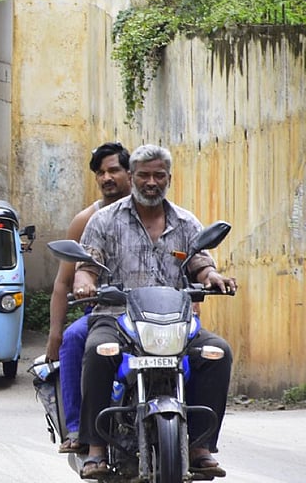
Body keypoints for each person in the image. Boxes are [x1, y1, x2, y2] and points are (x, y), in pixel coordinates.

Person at [73, 144, 236, 480]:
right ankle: (95, 449)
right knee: (96, 350)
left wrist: (213, 277)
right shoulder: (105, 220)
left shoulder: (187, 222)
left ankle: (202, 447)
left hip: (175, 321)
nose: (151, 182)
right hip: (117, 316)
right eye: (144, 175)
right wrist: (85, 282)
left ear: (169, 179)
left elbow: (201, 263)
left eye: (158, 175)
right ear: (131, 177)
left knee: (218, 352)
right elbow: (86, 267)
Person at [46, 142, 131, 454]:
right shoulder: (86, 220)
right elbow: (64, 281)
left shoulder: (159, 212)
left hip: (153, 314)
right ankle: (76, 428)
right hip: (104, 313)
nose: (107, 177)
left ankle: (190, 434)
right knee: (73, 338)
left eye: (114, 170)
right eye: (101, 172)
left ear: (131, 174)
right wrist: (54, 332)